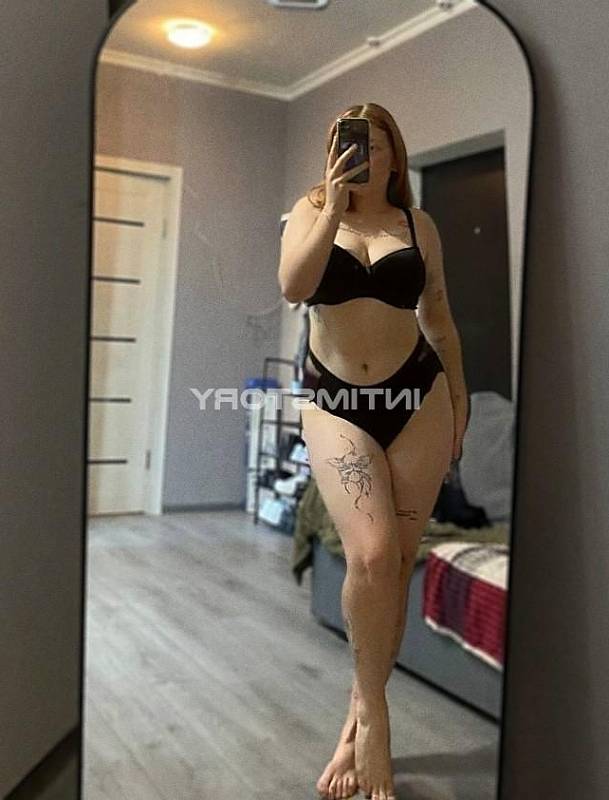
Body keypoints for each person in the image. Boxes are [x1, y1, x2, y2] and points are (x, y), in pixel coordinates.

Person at [278, 103, 469, 800]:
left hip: (418, 396)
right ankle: (377, 720)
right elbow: (293, 286)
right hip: (334, 402)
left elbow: (437, 315)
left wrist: (461, 398)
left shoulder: (418, 225)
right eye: (341, 141)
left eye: (368, 142)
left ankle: (353, 723)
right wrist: (332, 207)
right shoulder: (310, 210)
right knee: (370, 555)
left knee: (394, 568)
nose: (354, 151)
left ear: (393, 153)